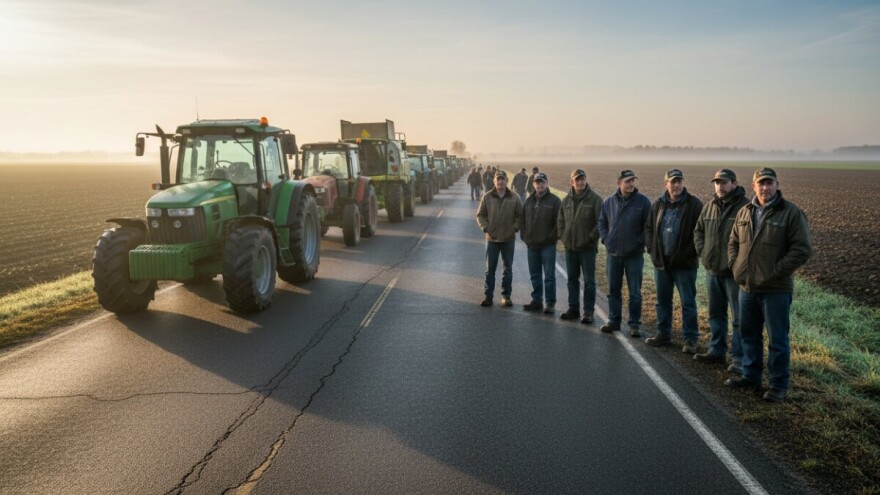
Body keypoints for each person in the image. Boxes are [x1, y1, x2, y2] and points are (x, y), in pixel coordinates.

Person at [724, 167, 812, 403]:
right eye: (761, 183)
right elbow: (733, 242)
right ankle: (750, 376)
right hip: (747, 288)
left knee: (778, 340)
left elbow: (802, 249)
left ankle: (778, 385)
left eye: (769, 183)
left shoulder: (791, 213)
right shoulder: (745, 212)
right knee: (749, 335)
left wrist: (775, 272)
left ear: (776, 184)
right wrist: (735, 267)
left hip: (775, 290)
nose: (765, 187)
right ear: (753, 186)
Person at [693, 169, 750, 372]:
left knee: (739, 318)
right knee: (715, 314)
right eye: (717, 182)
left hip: (733, 274)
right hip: (712, 271)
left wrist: (739, 263)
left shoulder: (746, 207)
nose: (720, 186)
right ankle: (716, 350)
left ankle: (738, 358)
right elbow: (698, 231)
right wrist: (703, 252)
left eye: (724, 182)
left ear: (734, 184)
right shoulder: (709, 207)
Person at [644, 169, 704, 352]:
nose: (676, 185)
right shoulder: (658, 205)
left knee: (688, 302)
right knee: (662, 301)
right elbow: (649, 228)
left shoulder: (694, 204)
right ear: (666, 184)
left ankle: (690, 339)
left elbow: (700, 232)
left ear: (683, 183)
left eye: (679, 181)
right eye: (673, 182)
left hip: (684, 264)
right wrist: (652, 250)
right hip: (662, 263)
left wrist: (689, 253)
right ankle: (663, 333)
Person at [597, 170, 651, 336]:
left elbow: (648, 227)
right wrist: (607, 239)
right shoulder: (609, 202)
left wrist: (638, 242)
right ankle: (614, 321)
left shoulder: (643, 202)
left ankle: (634, 324)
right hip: (613, 254)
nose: (631, 184)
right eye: (627, 181)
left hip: (634, 255)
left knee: (635, 292)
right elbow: (602, 222)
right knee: (614, 290)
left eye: (633, 181)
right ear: (619, 182)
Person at [557, 169, 603, 323]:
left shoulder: (595, 199)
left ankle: (588, 312)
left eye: (582, 179)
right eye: (577, 180)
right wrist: (564, 237)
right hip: (570, 248)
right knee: (572, 280)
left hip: (588, 249)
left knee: (589, 281)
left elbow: (600, 223)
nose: (580, 182)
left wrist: (589, 238)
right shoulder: (566, 200)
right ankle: (573, 309)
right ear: (572, 182)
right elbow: (560, 221)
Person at [476, 170, 524, 307]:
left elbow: (520, 216)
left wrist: (514, 228)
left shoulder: (514, 197)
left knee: (507, 269)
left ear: (506, 181)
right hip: (492, 239)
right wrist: (485, 228)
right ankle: (488, 296)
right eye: (498, 179)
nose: (500, 182)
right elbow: (480, 215)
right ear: (494, 181)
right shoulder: (487, 197)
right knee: (489, 270)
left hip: (508, 239)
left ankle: (506, 296)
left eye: (503, 179)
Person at [521, 172, 562, 314]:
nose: (540, 185)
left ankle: (550, 303)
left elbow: (559, 223)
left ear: (547, 183)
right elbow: (523, 221)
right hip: (532, 245)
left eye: (542, 182)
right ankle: (537, 301)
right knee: (535, 274)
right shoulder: (528, 201)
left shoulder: (555, 201)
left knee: (549, 276)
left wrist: (551, 238)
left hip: (548, 245)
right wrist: (525, 236)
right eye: (537, 182)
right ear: (533, 184)